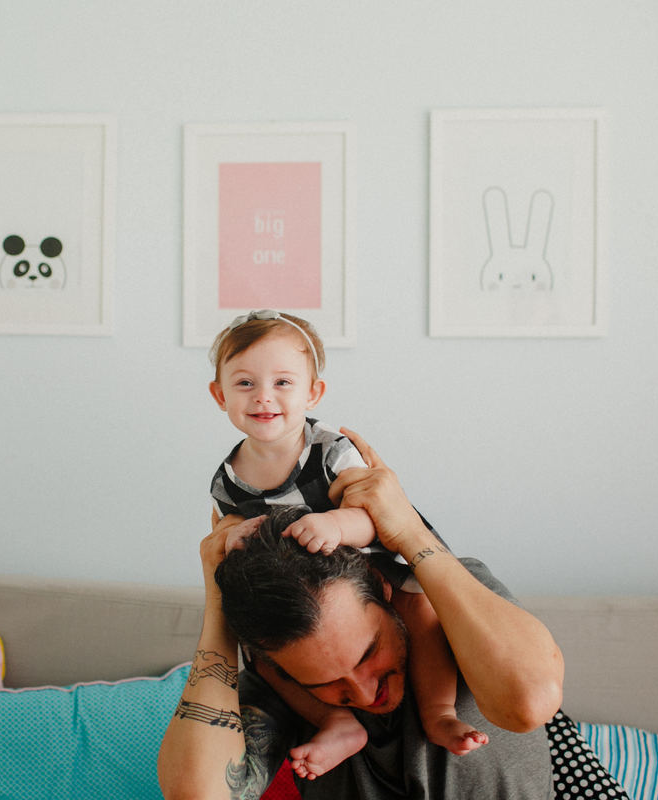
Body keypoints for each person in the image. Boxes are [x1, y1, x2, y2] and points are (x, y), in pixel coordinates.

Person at [158, 428, 565, 799]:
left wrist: (409, 532)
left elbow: (529, 703)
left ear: (383, 586)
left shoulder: (451, 595)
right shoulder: (279, 671)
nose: (366, 693)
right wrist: (218, 604)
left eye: (369, 653)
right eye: (327, 683)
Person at [205, 309, 485, 779]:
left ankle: (438, 712)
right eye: (245, 384)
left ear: (313, 392)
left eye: (283, 382)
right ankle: (336, 723)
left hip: (378, 565)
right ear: (220, 395)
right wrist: (232, 534)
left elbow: (378, 513)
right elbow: (227, 531)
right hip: (309, 601)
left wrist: (338, 524)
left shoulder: (330, 450)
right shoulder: (227, 478)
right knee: (266, 659)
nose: (264, 397)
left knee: (421, 609)